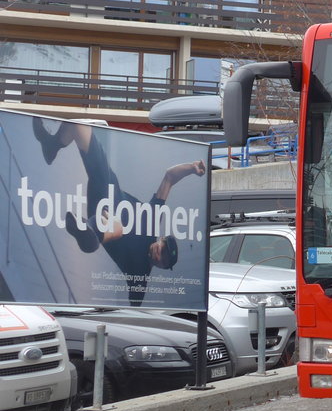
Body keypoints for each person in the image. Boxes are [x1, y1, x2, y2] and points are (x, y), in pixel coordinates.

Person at [32, 118, 206, 306]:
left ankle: (89, 234)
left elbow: (135, 304)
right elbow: (169, 177)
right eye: (162, 249)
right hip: (106, 185)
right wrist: (192, 168)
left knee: (118, 228)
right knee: (79, 126)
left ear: (162, 267)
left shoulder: (140, 273)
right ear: (161, 240)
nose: (159, 253)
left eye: (162, 258)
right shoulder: (152, 221)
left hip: (101, 218)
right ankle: (52, 145)